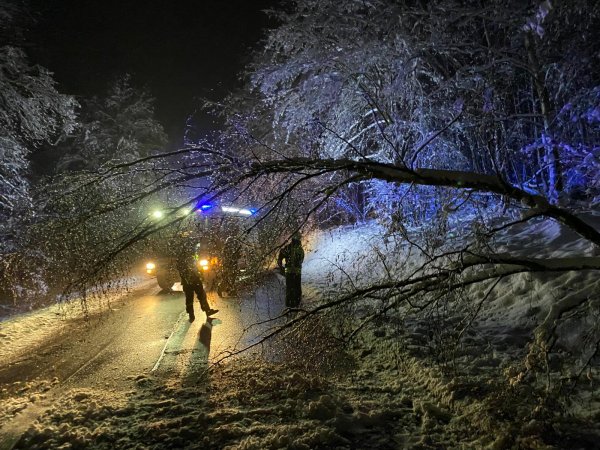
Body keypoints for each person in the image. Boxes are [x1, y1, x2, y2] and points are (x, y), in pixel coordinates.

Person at [176, 251, 218, 322]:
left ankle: (206, 311)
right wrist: (189, 277)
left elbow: (196, 266)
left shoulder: (189, 256)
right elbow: (182, 270)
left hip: (194, 281)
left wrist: (199, 274)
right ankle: (192, 314)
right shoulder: (183, 258)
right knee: (193, 298)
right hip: (190, 281)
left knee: (200, 295)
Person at [277, 233, 305, 308]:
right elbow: (302, 259)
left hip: (289, 272)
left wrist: (281, 267)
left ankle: (289, 305)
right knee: (297, 288)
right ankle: (297, 304)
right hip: (297, 272)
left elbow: (280, 257)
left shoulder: (288, 247)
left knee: (289, 288)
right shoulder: (300, 248)